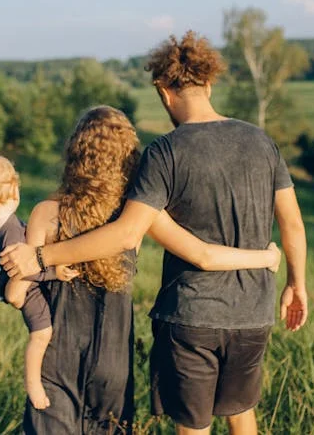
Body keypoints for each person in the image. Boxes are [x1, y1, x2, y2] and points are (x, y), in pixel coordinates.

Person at [0, 32, 308, 435]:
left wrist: (40, 258)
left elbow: (127, 234)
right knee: (241, 412)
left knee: (193, 425)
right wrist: (295, 282)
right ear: (208, 84)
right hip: (254, 311)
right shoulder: (261, 141)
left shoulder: (166, 151)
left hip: (193, 314)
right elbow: (293, 223)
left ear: (164, 91)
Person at [19, 106, 282, 434]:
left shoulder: (45, 213)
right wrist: (266, 258)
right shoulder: (137, 216)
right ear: (129, 157)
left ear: (75, 153)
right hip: (112, 362)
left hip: (54, 358)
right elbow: (204, 255)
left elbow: (19, 294)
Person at [0, 154, 76, 410]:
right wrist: (54, 273)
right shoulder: (13, 231)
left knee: (42, 332)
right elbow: (26, 270)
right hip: (24, 291)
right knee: (41, 334)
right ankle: (33, 384)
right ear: (15, 190)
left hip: (0, 281)